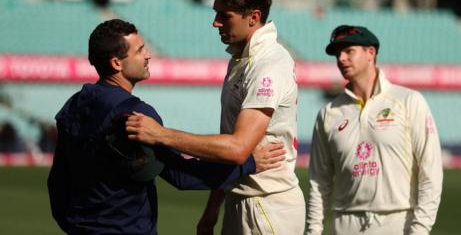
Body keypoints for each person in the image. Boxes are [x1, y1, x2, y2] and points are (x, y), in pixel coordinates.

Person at [47, 19, 285, 235]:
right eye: (140, 50)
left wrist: (73, 224)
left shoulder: (74, 106)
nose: (148, 55)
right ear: (117, 63)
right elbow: (182, 176)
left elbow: (57, 180)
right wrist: (250, 162)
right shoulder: (135, 115)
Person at [125, 0, 305, 235]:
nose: (216, 22)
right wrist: (212, 210)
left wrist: (161, 135)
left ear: (253, 17)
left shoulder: (268, 65)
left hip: (267, 205)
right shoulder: (241, 60)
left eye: (225, 15)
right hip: (243, 198)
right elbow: (230, 145)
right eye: (216, 12)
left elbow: (237, 149)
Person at [306, 25, 443, 235]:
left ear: (371, 53)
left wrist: (420, 229)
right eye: (337, 54)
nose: (341, 58)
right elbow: (319, 182)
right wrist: (313, 231)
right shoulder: (328, 114)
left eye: (349, 51)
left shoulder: (408, 101)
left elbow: (430, 171)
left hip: (398, 223)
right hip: (344, 224)